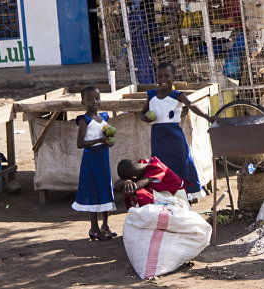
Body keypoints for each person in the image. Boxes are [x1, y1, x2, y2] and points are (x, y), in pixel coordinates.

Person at [138, 62, 217, 201]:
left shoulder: (177, 95)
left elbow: (192, 106)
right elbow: (141, 113)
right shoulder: (151, 95)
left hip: (175, 138)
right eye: (159, 76)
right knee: (161, 166)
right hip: (158, 138)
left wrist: (208, 117)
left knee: (182, 164)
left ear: (173, 77)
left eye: (166, 76)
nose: (163, 79)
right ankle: (166, 196)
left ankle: (187, 196)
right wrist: (144, 117)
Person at [72, 86, 117, 241]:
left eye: (96, 98)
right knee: (93, 192)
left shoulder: (103, 117)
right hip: (91, 161)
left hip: (103, 159)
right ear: (83, 102)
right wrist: (100, 140)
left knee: (105, 189)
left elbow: (106, 137)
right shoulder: (85, 120)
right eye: (89, 99)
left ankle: (105, 225)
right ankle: (94, 228)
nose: (94, 101)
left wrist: (108, 141)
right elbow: (80, 143)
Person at [115, 156, 188, 210]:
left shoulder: (156, 168)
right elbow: (117, 185)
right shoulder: (140, 165)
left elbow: (135, 187)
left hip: (178, 196)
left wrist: (126, 184)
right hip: (165, 194)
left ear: (134, 178)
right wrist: (126, 181)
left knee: (139, 193)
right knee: (131, 190)